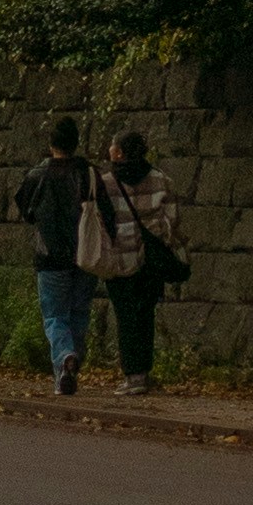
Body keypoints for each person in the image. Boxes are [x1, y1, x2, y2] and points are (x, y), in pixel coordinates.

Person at [88, 126, 185, 396]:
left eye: (111, 145)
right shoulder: (161, 179)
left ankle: (133, 375)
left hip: (120, 260)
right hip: (150, 261)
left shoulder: (106, 183)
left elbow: (101, 221)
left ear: (118, 153)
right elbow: (173, 219)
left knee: (125, 317)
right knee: (145, 315)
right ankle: (143, 372)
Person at [10, 112, 97, 395]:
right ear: (76, 143)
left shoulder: (37, 175)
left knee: (55, 316)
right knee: (79, 313)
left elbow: (25, 210)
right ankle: (70, 367)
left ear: (52, 144)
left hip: (49, 258)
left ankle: (64, 360)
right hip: (86, 254)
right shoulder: (89, 173)